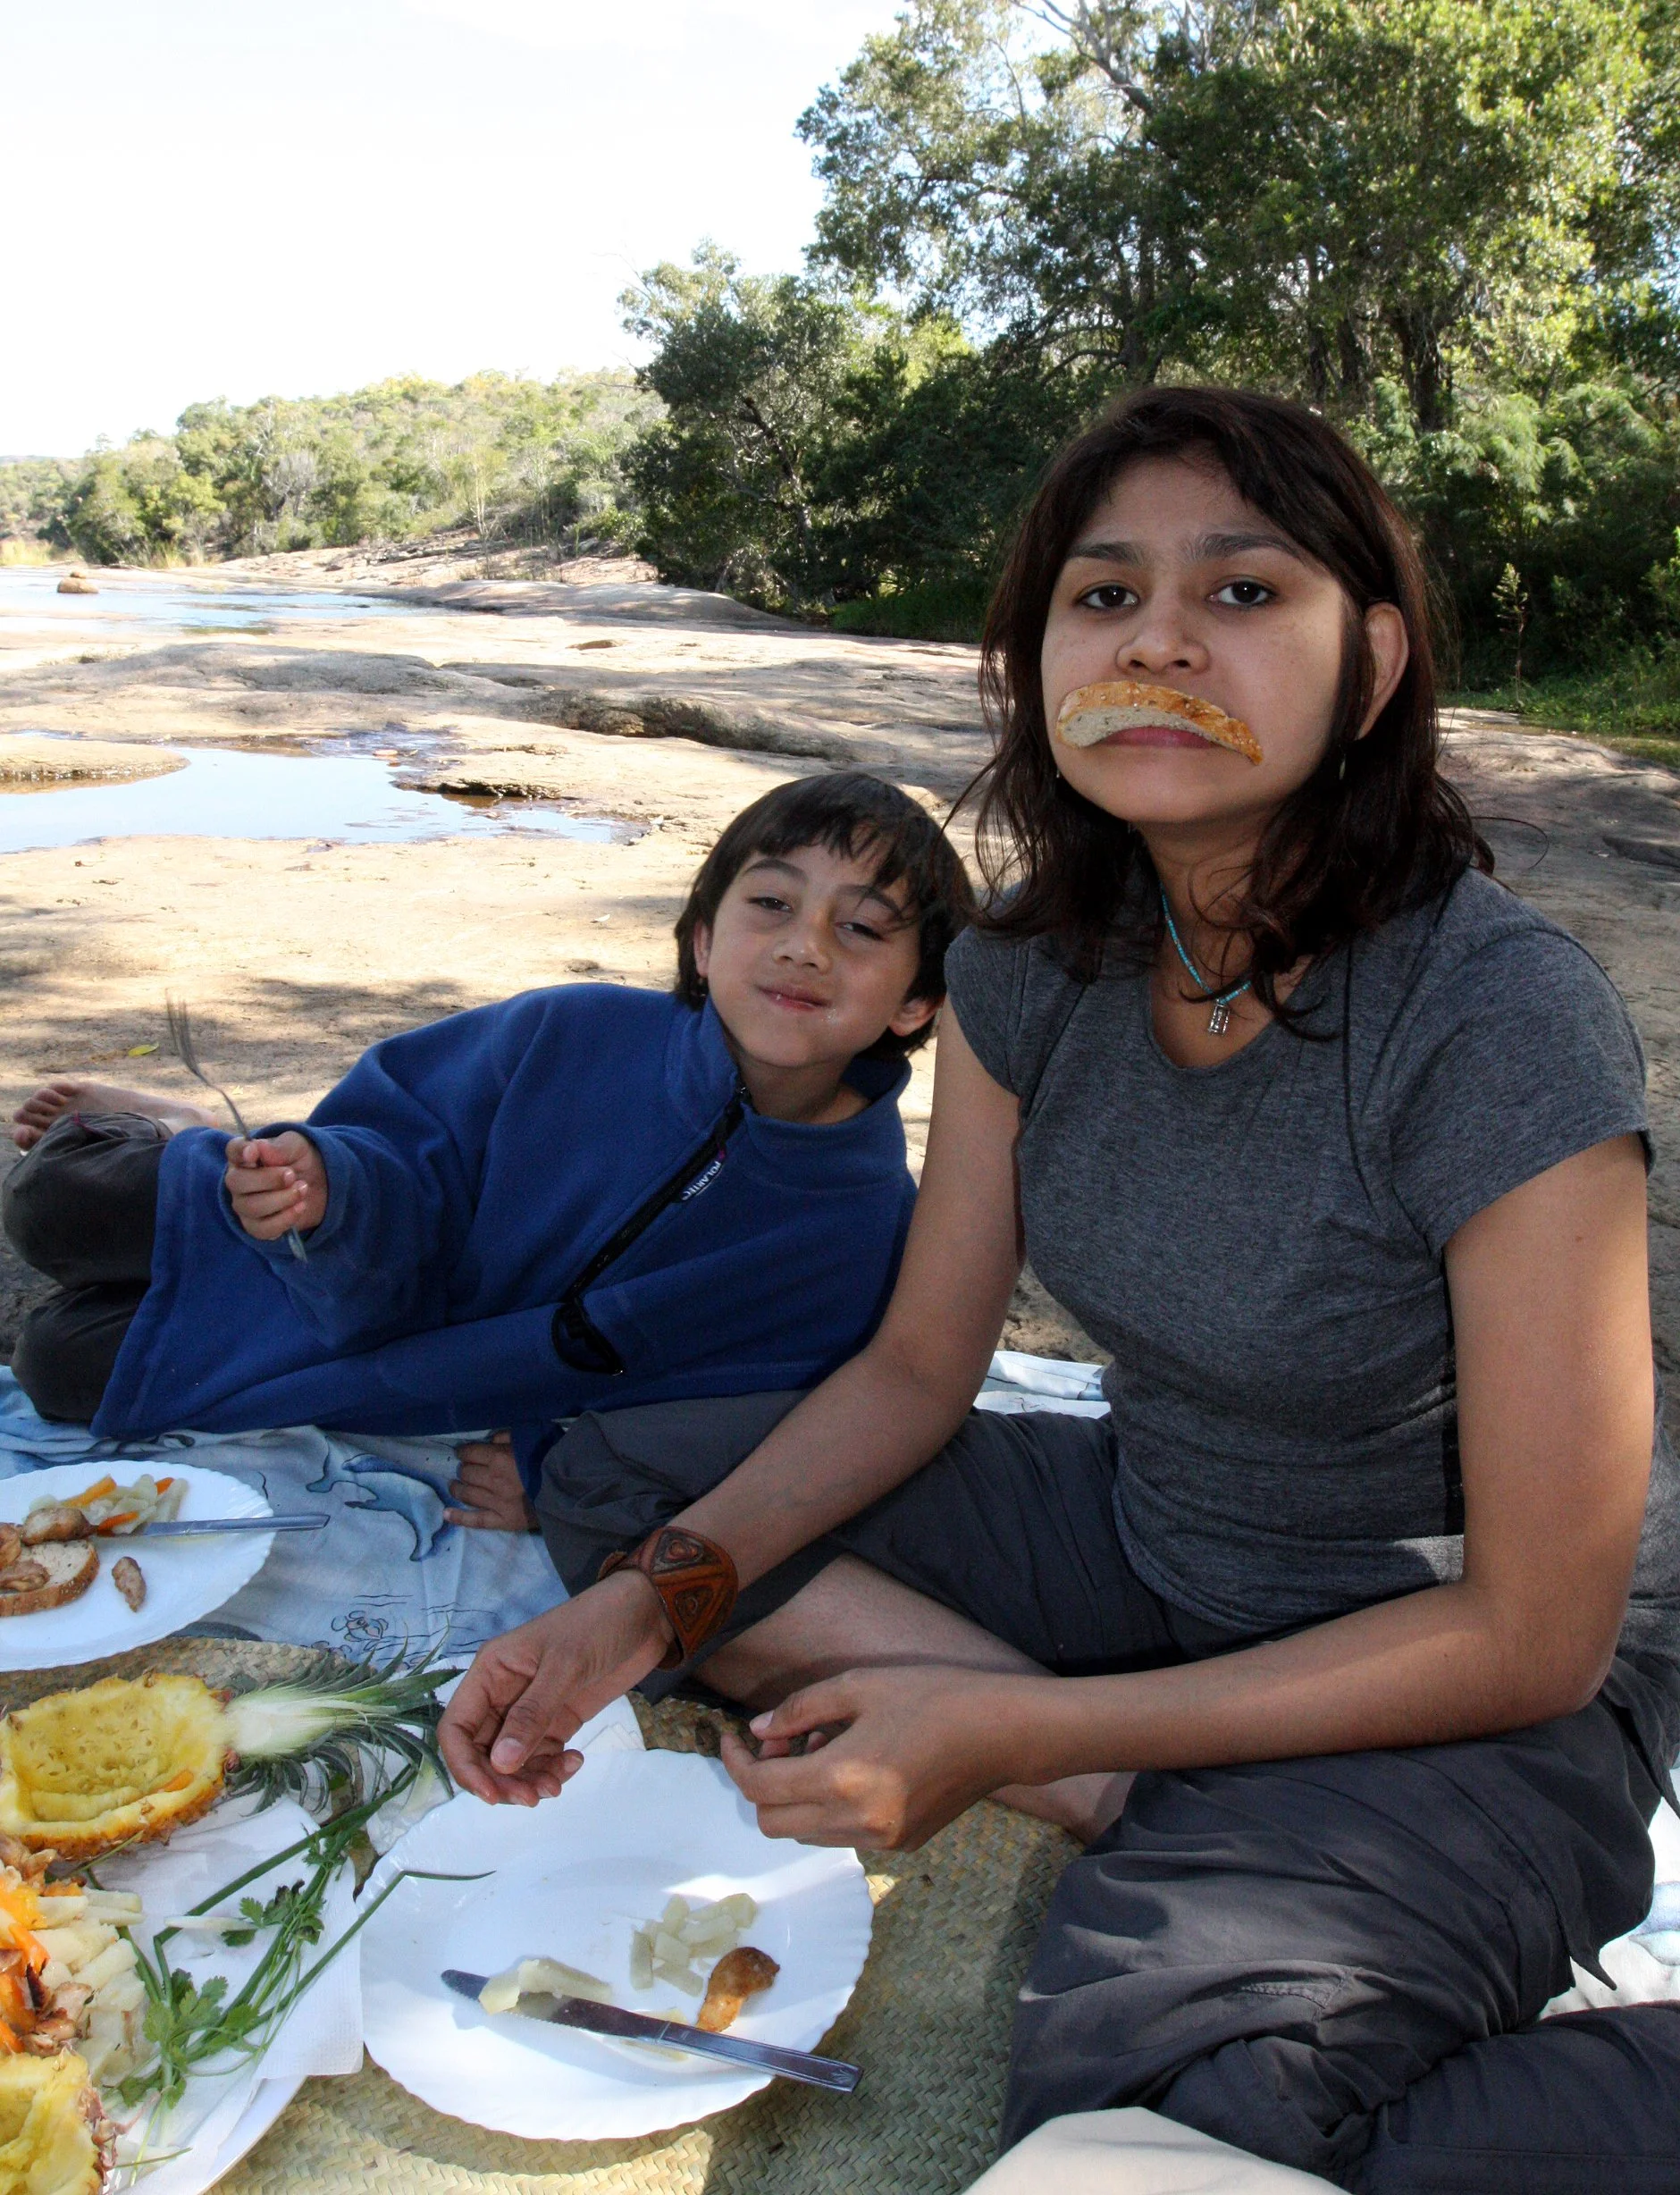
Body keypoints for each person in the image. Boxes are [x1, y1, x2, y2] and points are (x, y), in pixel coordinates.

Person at [440, 389, 1680, 2191]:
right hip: (1148, 1534)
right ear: (1037, 665)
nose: (1158, 639)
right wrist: (642, 1612)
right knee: (630, 1479)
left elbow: (1536, 1632)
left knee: (1179, 2126)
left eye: (1241, 592)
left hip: (1465, 1682)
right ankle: (1149, 1801)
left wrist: (1024, 1726)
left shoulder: (1496, 1020)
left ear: (1373, 662)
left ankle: (1154, 1797)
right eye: (1104, 596)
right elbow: (919, 1370)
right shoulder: (1034, 969)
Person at [4, 772, 972, 1535]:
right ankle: (175, 1128)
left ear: (917, 1001)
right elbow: (406, 1128)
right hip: (339, 1246)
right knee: (51, 1200)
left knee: (53, 1362)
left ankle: (191, 1160)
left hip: (409, 1370)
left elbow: (756, 1417)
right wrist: (329, 1185)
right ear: (703, 941)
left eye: (859, 928)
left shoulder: (858, 1233)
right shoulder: (571, 1031)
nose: (806, 947)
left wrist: (559, 1475)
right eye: (771, 903)